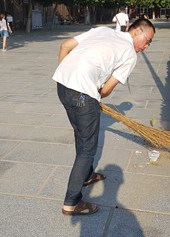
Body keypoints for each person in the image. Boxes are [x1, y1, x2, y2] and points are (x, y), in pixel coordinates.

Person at [52, 18, 155, 215]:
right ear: (136, 32)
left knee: (80, 135)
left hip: (63, 86)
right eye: (147, 40)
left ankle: (87, 175)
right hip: (82, 94)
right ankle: (72, 202)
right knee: (88, 149)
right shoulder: (130, 55)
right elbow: (106, 89)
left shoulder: (102, 31)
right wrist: (93, 95)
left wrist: (62, 75)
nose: (147, 46)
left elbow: (65, 46)